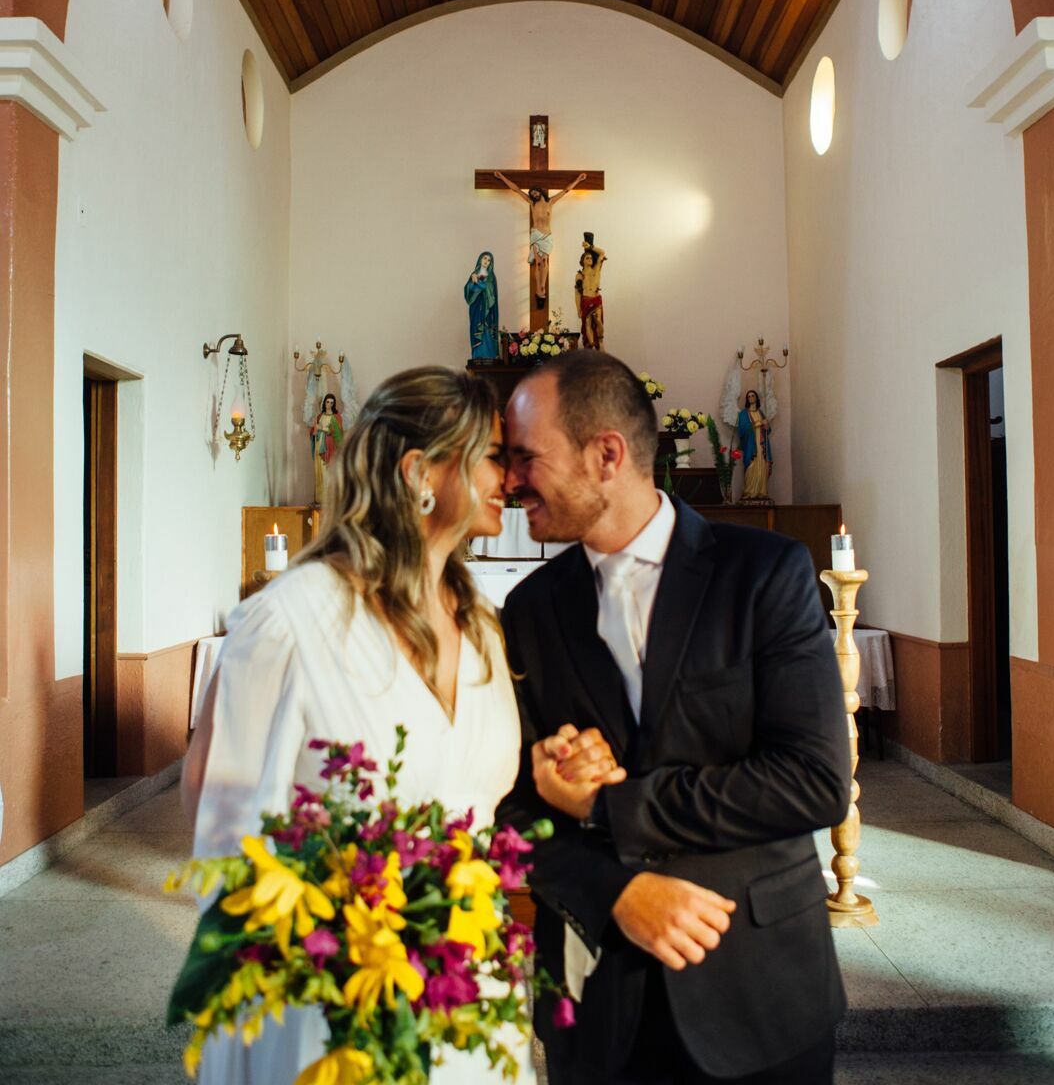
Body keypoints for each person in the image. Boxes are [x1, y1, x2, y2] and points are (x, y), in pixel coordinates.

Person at [183, 366, 546, 1085]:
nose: (512, 477)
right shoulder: (288, 623)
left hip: (461, 977)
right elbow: (221, 833)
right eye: (493, 455)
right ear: (421, 472)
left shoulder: (482, 631)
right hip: (325, 996)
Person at [498, 352, 851, 1085]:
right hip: (597, 1001)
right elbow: (514, 808)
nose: (506, 481)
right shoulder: (530, 608)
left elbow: (814, 781)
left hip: (757, 987)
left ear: (606, 455)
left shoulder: (764, 572)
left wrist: (611, 804)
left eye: (525, 457)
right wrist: (616, 892)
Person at [493, 171, 587, 306]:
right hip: (536, 235)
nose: (533, 195)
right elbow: (516, 190)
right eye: (531, 194)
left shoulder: (551, 202)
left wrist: (578, 179)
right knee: (538, 262)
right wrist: (501, 177)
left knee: (545, 261)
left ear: (540, 191)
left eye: (535, 192)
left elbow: (566, 190)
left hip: (547, 236)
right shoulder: (532, 203)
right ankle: (539, 289)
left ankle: (542, 286)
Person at [737, 388, 773, 503]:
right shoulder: (743, 414)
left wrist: (767, 426)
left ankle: (761, 492)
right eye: (749, 396)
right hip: (751, 446)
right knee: (751, 467)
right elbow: (742, 431)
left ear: (756, 398)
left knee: (762, 466)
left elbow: (768, 430)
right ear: (747, 399)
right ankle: (750, 492)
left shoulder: (761, 412)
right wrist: (758, 424)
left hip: (762, 445)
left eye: (753, 396)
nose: (751, 398)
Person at [465, 250, 499, 361]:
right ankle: (477, 355)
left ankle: (488, 355)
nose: (486, 261)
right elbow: (467, 290)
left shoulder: (490, 276)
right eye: (485, 258)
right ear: (480, 259)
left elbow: (488, 289)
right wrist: (472, 283)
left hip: (486, 309)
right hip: (475, 308)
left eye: (489, 260)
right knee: (475, 329)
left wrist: (477, 282)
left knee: (485, 329)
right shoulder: (474, 274)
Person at [309, 391, 343, 503]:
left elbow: (337, 434)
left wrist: (321, 428)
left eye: (332, 402)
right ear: (324, 403)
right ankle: (319, 498)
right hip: (319, 447)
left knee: (327, 474)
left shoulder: (336, 417)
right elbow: (314, 432)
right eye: (328, 402)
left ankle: (328, 500)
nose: (329, 404)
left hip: (329, 449)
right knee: (319, 473)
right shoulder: (320, 416)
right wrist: (314, 431)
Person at [574, 235, 606, 350]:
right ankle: (591, 345)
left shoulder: (596, 269)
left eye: (591, 258)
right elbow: (577, 293)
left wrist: (591, 247)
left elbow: (602, 253)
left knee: (598, 321)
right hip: (585, 300)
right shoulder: (580, 275)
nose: (590, 259)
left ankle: (600, 341)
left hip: (596, 298)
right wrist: (578, 308)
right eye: (587, 258)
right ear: (582, 261)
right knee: (587, 323)